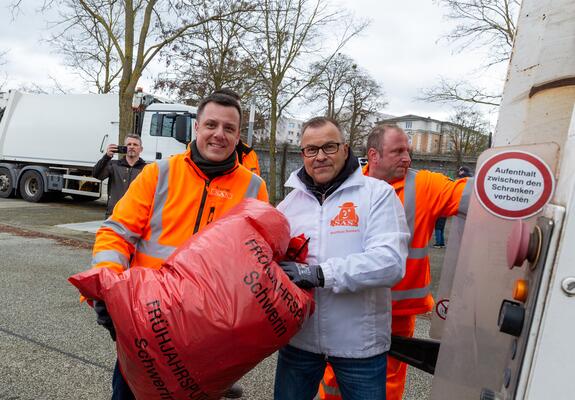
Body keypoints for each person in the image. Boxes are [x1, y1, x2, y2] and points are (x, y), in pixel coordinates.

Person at [90, 90, 268, 400]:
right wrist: (107, 284)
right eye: (211, 124)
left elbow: (257, 263)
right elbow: (117, 232)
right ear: (196, 127)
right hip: (147, 322)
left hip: (209, 334)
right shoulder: (159, 173)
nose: (219, 134)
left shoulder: (254, 188)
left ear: (239, 135)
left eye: (229, 128)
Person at [319, 125, 473, 400]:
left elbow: (472, 196)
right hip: (350, 303)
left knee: (387, 381)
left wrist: (512, 177)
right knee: (334, 373)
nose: (407, 158)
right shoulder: (345, 185)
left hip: (397, 312)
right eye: (398, 151)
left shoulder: (425, 185)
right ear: (374, 155)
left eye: (408, 151)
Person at [274, 117, 410, 400]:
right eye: (311, 150)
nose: (320, 156)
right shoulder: (289, 206)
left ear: (345, 149)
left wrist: (320, 274)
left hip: (359, 346)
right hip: (300, 343)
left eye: (329, 147)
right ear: (303, 155)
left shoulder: (377, 195)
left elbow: (390, 262)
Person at [92, 135, 146, 218]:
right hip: (114, 214)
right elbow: (96, 175)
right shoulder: (113, 165)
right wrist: (106, 157)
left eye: (135, 145)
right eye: (129, 144)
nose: (131, 147)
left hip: (137, 216)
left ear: (141, 149)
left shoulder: (146, 169)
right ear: (124, 147)